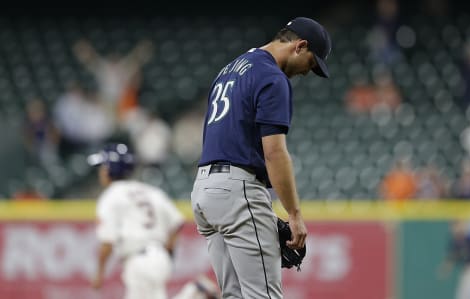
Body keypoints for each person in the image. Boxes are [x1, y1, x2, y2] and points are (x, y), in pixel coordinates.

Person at [190, 17, 331, 298]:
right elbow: (275, 152)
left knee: (235, 295)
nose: (307, 72)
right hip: (237, 191)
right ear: (300, 46)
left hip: (204, 191)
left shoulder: (229, 69)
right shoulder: (271, 76)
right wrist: (294, 214)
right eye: (311, 64)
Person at [87, 143, 185, 299]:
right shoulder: (150, 190)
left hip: (139, 261)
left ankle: (195, 294)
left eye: (103, 166)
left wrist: (99, 272)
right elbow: (177, 222)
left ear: (109, 169)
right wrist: (167, 252)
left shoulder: (111, 196)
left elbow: (107, 241)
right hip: (159, 257)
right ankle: (194, 293)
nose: (101, 171)